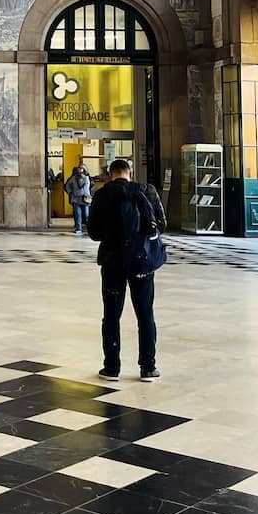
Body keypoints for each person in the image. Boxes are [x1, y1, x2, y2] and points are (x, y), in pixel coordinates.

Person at [88, 157, 160, 383]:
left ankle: (111, 368)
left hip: (112, 262)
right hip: (142, 262)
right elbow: (161, 224)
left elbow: (94, 233)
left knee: (111, 315)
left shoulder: (101, 195)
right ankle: (148, 367)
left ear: (111, 174)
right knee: (145, 314)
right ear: (130, 172)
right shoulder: (146, 190)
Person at [65, 164, 92, 236]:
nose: (79, 170)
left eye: (81, 168)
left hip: (85, 199)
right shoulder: (73, 178)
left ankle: (89, 228)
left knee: (86, 215)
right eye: (79, 168)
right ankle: (78, 229)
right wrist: (70, 192)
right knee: (78, 215)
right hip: (76, 199)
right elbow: (67, 185)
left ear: (84, 170)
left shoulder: (86, 178)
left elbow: (87, 188)